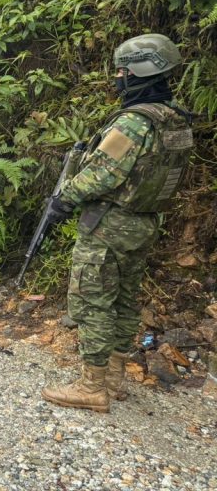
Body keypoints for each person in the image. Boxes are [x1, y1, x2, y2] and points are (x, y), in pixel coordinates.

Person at [41, 34, 194, 413]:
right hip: (144, 223)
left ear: (141, 70)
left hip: (110, 225)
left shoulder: (134, 123)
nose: (118, 78)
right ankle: (113, 378)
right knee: (125, 301)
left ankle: (91, 387)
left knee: (93, 302)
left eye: (122, 71)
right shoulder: (174, 118)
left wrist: (63, 201)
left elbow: (102, 174)